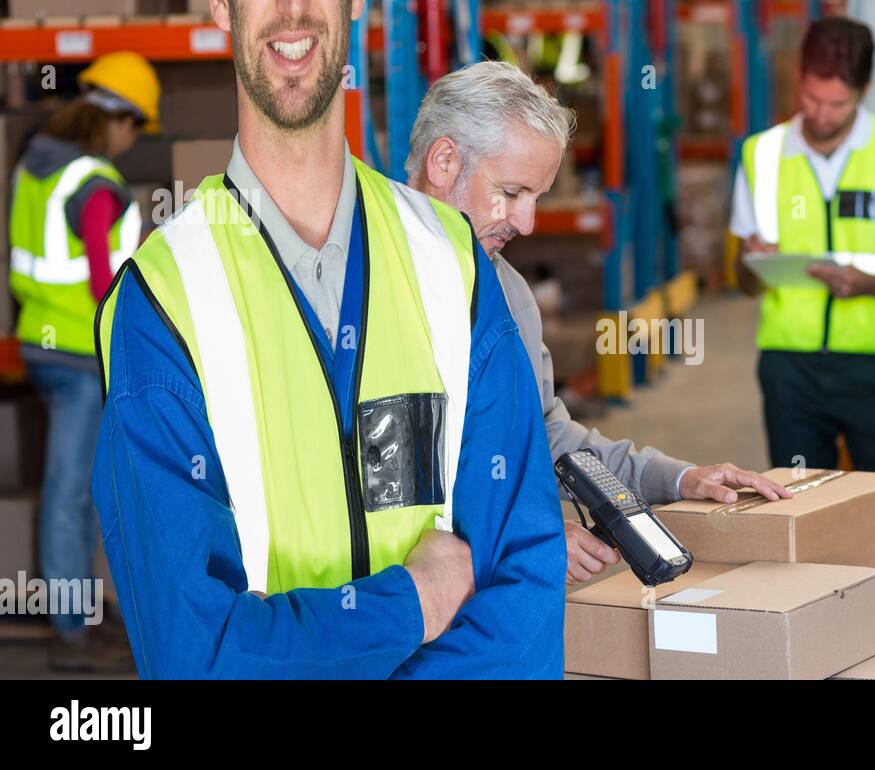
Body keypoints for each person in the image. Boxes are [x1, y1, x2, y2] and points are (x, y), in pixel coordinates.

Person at [91, 0, 565, 679]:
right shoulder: (162, 301)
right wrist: (409, 604)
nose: (291, 12)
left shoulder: (449, 261)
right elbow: (195, 653)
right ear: (218, 8)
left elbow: (525, 598)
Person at [405, 61, 791, 586]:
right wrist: (518, 536)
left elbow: (544, 436)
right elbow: (380, 470)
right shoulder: (362, 280)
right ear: (445, 161)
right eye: (513, 193)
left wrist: (679, 478)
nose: (527, 222)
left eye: (537, 199)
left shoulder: (508, 292)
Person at [730, 17, 875, 480]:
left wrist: (864, 283)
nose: (822, 114)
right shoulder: (761, 155)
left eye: (838, 103)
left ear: (864, 90)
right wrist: (753, 260)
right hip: (789, 369)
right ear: (798, 80)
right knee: (799, 508)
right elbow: (742, 281)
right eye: (812, 98)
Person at [8, 51, 158, 672]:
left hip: (40, 345)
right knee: (72, 491)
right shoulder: (94, 182)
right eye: (135, 127)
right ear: (117, 119)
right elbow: (105, 280)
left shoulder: (37, 164)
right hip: (75, 353)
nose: (131, 141)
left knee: (79, 490)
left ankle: (87, 611)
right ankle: (72, 632)